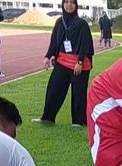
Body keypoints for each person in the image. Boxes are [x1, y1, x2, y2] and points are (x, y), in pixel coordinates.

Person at [32, 0, 94, 128]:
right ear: (63, 4)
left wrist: (80, 62)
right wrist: (48, 56)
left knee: (78, 93)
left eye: (72, 2)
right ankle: (48, 118)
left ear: (76, 5)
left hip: (79, 64)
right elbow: (54, 40)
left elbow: (85, 44)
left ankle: (79, 121)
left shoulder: (82, 24)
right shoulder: (60, 22)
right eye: (66, 2)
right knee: (54, 89)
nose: (69, 5)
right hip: (62, 61)